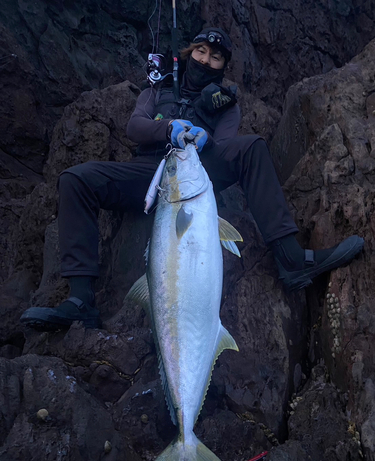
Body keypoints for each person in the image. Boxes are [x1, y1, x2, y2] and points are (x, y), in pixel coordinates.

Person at [20, 27, 364, 330]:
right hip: (151, 175)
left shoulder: (226, 104)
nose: (205, 59)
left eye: (215, 57)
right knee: (76, 179)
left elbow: (228, 143)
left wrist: (207, 140)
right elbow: (134, 126)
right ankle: (81, 300)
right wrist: (166, 127)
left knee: (253, 147)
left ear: (223, 66)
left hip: (201, 172)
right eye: (200, 51)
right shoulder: (158, 88)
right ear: (189, 52)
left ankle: (290, 257)